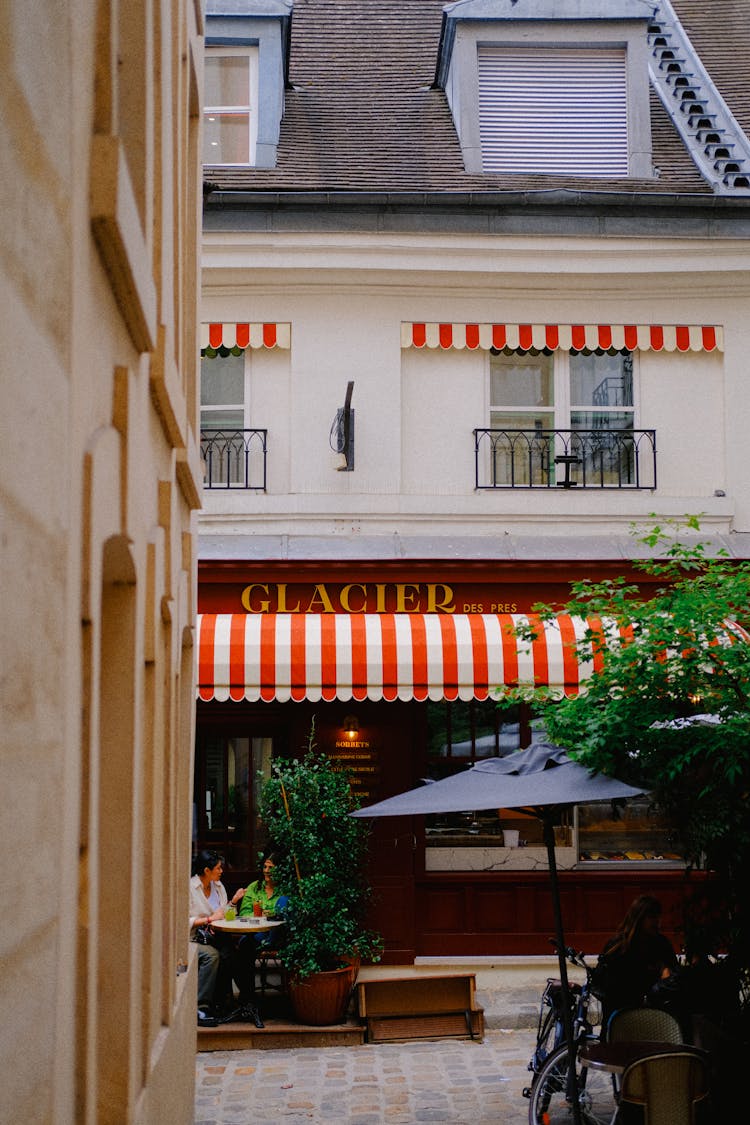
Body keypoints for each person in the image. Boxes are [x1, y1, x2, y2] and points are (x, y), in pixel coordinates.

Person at [594, 895, 679, 1028]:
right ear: (639, 918)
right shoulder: (618, 947)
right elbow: (608, 986)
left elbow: (672, 979)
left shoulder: (661, 944)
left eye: (658, 916)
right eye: (651, 917)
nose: (657, 921)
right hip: (621, 1016)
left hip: (655, 1015)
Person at [190, 849, 245, 1025]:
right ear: (207, 870)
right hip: (191, 940)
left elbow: (223, 913)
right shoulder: (190, 888)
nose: (222, 871)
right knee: (212, 955)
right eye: (218, 868)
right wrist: (207, 919)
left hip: (215, 936)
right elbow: (179, 921)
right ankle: (201, 1007)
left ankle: (226, 1002)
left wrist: (234, 901)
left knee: (231, 954)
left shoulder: (218, 887)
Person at [233, 853, 289, 1004]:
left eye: (271, 867)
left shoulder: (285, 890)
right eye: (265, 866)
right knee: (243, 947)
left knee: (284, 902)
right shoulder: (254, 887)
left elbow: (285, 917)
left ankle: (247, 996)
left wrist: (270, 915)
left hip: (279, 936)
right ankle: (248, 994)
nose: (266, 870)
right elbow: (244, 913)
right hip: (258, 934)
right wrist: (259, 916)